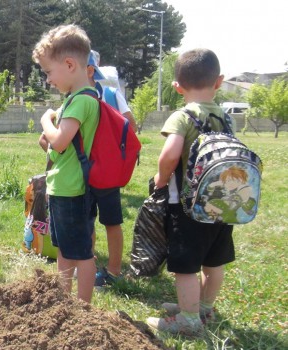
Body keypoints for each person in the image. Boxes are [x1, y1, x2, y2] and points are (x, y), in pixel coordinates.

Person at [146, 48, 233, 335]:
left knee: (185, 265)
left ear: (177, 87)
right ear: (218, 82)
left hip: (188, 206)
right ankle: (203, 307)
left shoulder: (183, 116)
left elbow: (170, 155)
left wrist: (161, 178)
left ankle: (188, 318)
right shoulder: (225, 117)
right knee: (214, 260)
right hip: (223, 203)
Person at [32, 24, 99, 303]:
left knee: (82, 253)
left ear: (70, 64)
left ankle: (82, 309)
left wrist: (46, 120)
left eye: (49, 72)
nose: (48, 80)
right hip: (64, 187)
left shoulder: (81, 101)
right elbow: (62, 146)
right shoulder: (76, 99)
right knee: (64, 248)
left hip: (73, 190)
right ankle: (63, 300)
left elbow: (60, 141)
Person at [85, 50, 138, 287]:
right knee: (93, 220)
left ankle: (113, 270)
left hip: (99, 169)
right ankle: (93, 265)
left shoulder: (110, 93)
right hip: (95, 169)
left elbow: (129, 125)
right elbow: (130, 125)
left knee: (108, 221)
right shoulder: (96, 93)